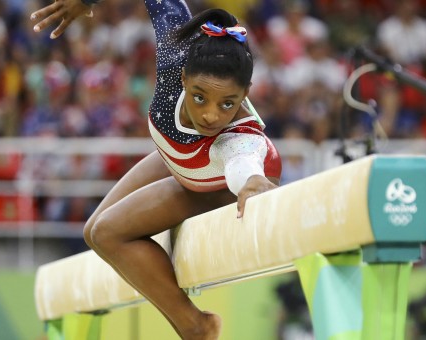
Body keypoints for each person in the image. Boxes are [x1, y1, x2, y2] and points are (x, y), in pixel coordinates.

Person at [30, 0, 282, 339]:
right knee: (94, 231)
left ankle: (196, 326)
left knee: (109, 232)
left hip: (218, 179)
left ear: (245, 95)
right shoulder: (175, 52)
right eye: (199, 97)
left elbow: (243, 163)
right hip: (181, 158)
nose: (211, 115)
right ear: (182, 77)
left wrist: (252, 182)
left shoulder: (236, 141)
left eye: (228, 103)